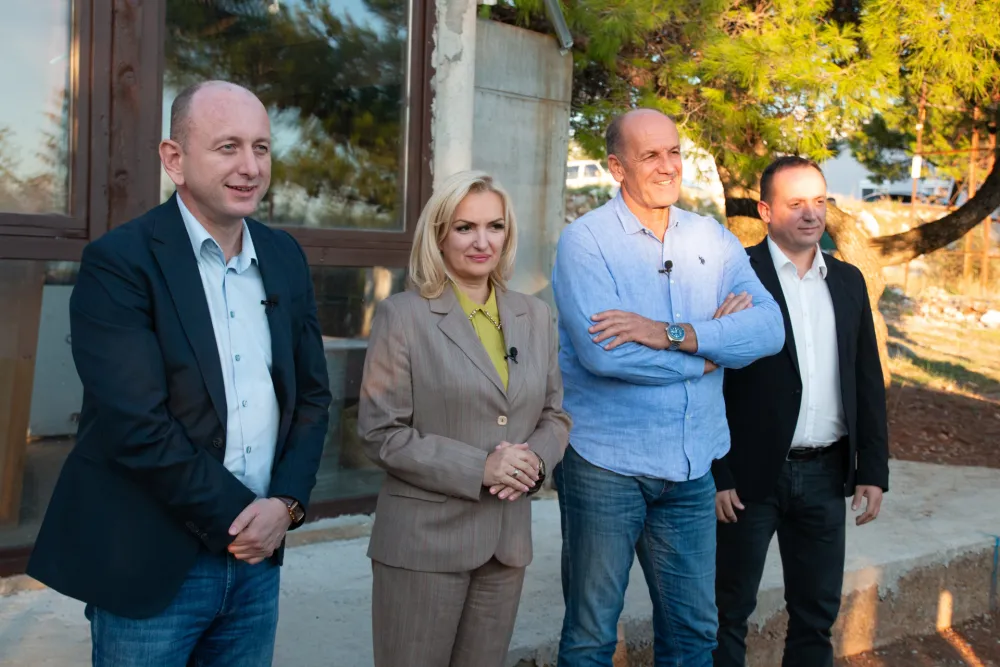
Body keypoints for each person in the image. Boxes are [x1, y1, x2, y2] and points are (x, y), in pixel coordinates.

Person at [27, 81, 332, 667]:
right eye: (228, 147)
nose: (250, 167)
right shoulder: (120, 262)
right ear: (174, 159)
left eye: (261, 148)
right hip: (152, 561)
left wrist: (286, 505)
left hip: (257, 561)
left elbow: (312, 398)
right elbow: (137, 425)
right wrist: (245, 518)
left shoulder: (284, 256)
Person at [551, 108, 785, 667]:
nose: (667, 165)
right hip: (606, 464)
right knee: (590, 635)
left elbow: (770, 329)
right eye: (650, 155)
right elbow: (604, 354)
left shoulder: (713, 238)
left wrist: (672, 333)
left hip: (691, 468)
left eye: (674, 151)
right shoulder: (585, 242)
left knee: (694, 634)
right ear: (617, 167)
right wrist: (708, 358)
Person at [358, 170, 571, 667]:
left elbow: (555, 414)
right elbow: (381, 432)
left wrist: (533, 463)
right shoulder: (403, 316)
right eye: (464, 227)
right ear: (438, 235)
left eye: (495, 227)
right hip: (423, 544)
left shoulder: (535, 316)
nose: (482, 241)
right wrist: (481, 468)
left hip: (505, 544)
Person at [712, 156, 889, 667]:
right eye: (795, 203)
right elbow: (710, 380)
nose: (811, 213)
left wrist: (872, 469)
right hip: (747, 479)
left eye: (819, 200)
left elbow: (866, 379)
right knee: (726, 612)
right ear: (765, 211)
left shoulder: (849, 281)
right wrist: (719, 472)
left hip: (825, 475)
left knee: (816, 615)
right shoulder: (735, 276)